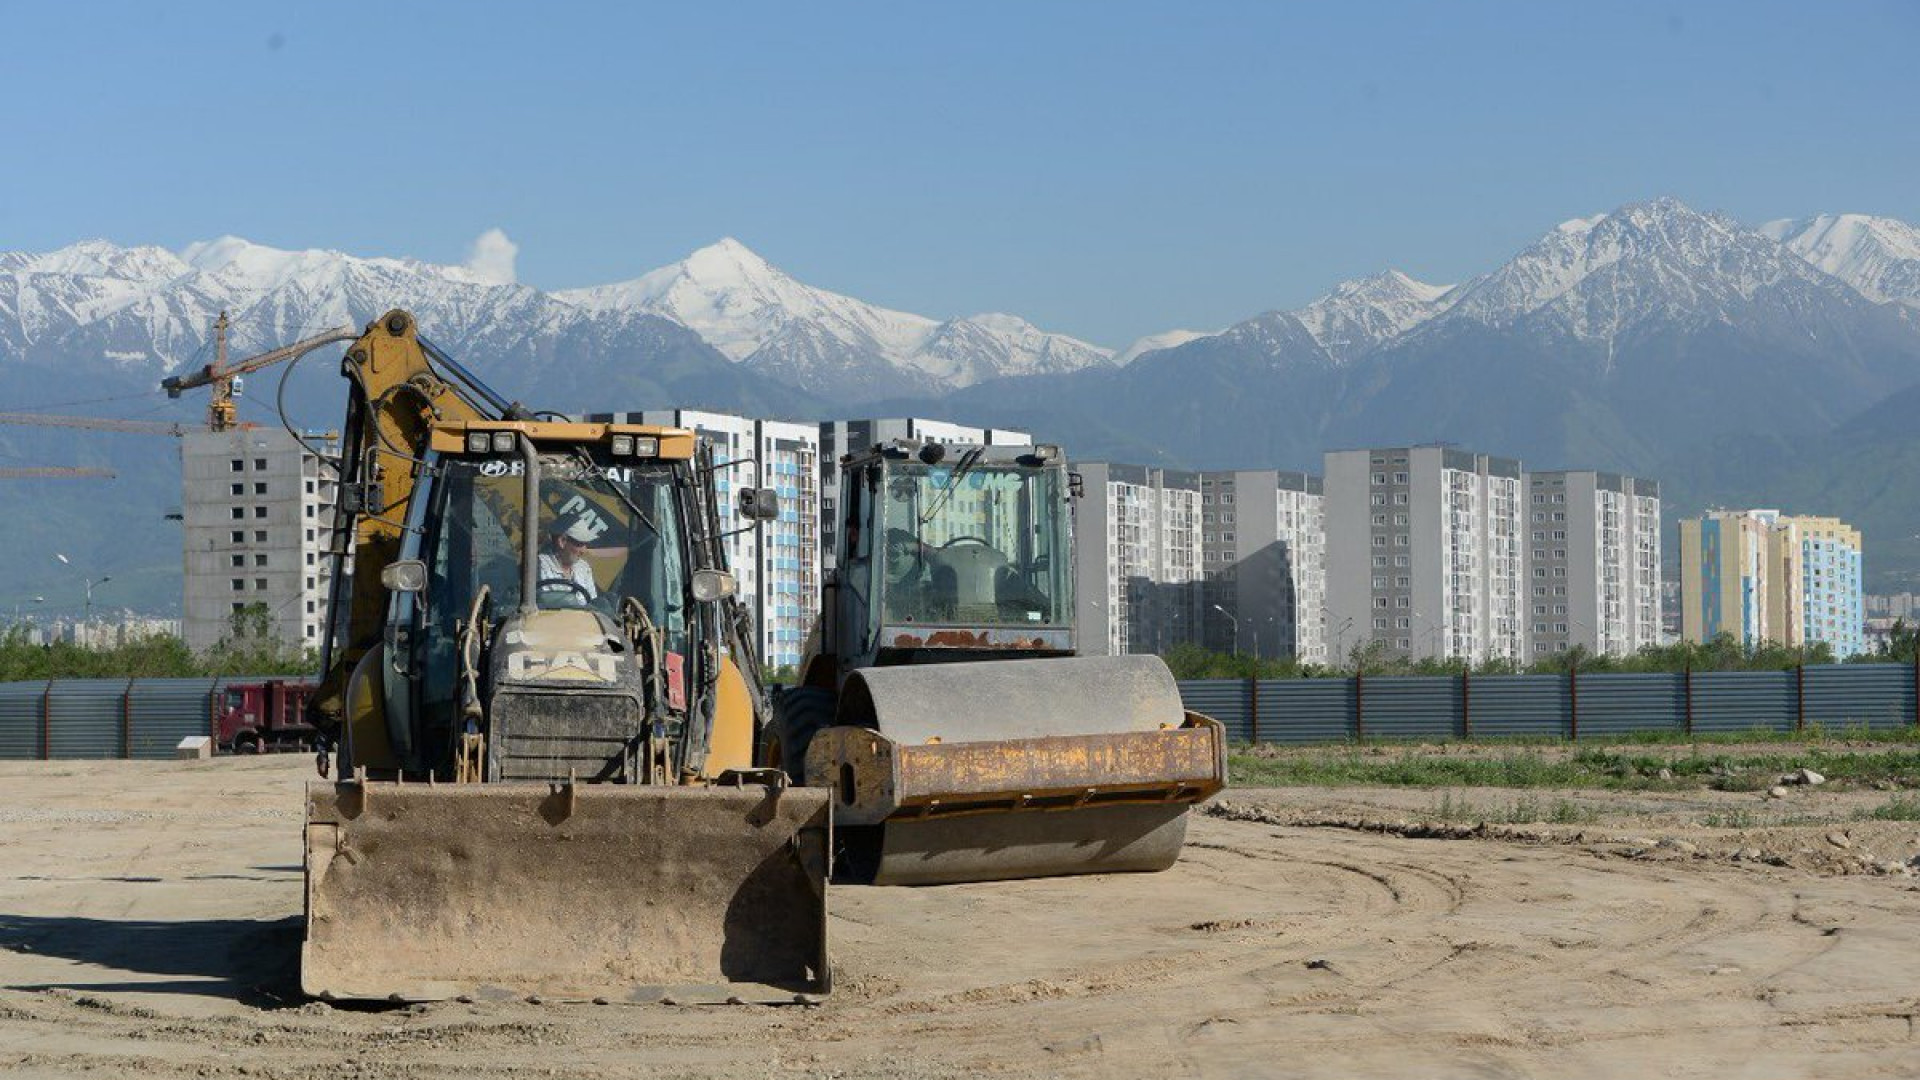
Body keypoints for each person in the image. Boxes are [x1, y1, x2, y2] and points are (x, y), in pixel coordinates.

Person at [537, 515, 599, 602]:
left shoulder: (584, 568)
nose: (584, 551)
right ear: (562, 541)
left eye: (586, 544)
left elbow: (593, 603)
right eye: (580, 544)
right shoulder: (538, 567)